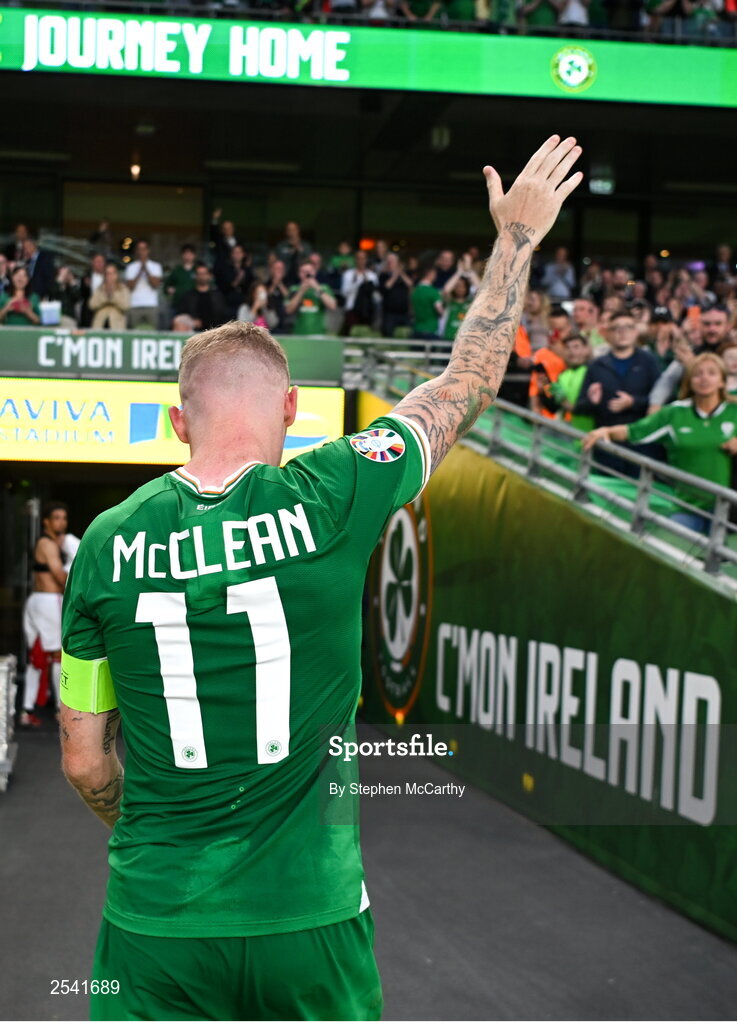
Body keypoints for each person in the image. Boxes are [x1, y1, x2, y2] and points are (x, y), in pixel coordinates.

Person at [58, 134, 583, 1021]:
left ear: (174, 420)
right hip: (311, 918)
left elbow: (81, 760)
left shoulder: (106, 544)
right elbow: (467, 379)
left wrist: (154, 839)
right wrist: (516, 239)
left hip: (155, 921)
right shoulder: (336, 486)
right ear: (293, 408)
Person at [584, 353, 737, 534]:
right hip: (687, 505)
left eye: (711, 373)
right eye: (698, 374)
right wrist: (607, 431)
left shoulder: (733, 411)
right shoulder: (675, 413)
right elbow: (635, 431)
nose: (704, 378)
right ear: (689, 381)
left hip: (729, 509)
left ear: (722, 382)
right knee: (671, 547)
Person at [574, 310, 662, 472]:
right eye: (616, 328)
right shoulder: (596, 365)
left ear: (635, 332)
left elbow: (664, 401)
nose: (622, 333)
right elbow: (579, 407)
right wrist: (592, 402)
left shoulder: (649, 361)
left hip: (641, 444)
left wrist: (634, 402)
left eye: (627, 327)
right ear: (607, 334)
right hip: (606, 446)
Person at [21, 502, 70, 728]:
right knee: (57, 656)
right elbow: (60, 578)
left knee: (37, 658)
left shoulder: (49, 544)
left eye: (64, 518)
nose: (61, 522)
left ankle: (27, 709)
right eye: (57, 517)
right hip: (49, 601)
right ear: (46, 522)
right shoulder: (47, 544)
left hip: (37, 601)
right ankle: (62, 710)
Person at [285, 258, 337, 334]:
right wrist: (301, 291)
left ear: (314, 272)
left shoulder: (324, 288)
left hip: (319, 333)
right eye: (304, 272)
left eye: (309, 271)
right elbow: (288, 310)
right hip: (298, 333)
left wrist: (317, 288)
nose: (307, 274)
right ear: (299, 274)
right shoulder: (294, 289)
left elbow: (333, 306)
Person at [175, 263, 230, 331]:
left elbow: (223, 315)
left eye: (204, 273)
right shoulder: (188, 296)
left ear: (209, 276)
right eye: (199, 274)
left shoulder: (218, 296)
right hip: (192, 332)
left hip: (214, 333)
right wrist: (192, 321)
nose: (202, 276)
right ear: (196, 276)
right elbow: (180, 315)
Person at [124, 239, 162, 328]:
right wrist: (139, 271)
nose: (142, 252)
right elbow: (130, 287)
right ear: (137, 251)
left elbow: (155, 285)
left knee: (153, 332)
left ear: (148, 250)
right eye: (140, 249)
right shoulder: (131, 267)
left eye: (144, 249)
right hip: (134, 305)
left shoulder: (156, 266)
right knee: (134, 332)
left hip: (151, 305)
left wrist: (146, 269)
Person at [88, 264, 131, 330]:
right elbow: (91, 305)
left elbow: (126, 306)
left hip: (116, 326)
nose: (110, 276)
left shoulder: (123, 289)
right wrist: (105, 297)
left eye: (112, 273)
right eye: (108, 274)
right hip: (100, 325)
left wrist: (113, 296)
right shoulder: (99, 289)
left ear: (116, 275)